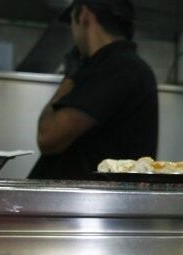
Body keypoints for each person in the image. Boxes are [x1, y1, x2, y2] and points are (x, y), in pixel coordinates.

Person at [29, 0, 158, 180]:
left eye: (72, 23)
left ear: (84, 15)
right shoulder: (117, 66)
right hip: (86, 204)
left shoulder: (118, 67)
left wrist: (70, 77)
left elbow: (48, 136)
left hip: (91, 206)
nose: (73, 34)